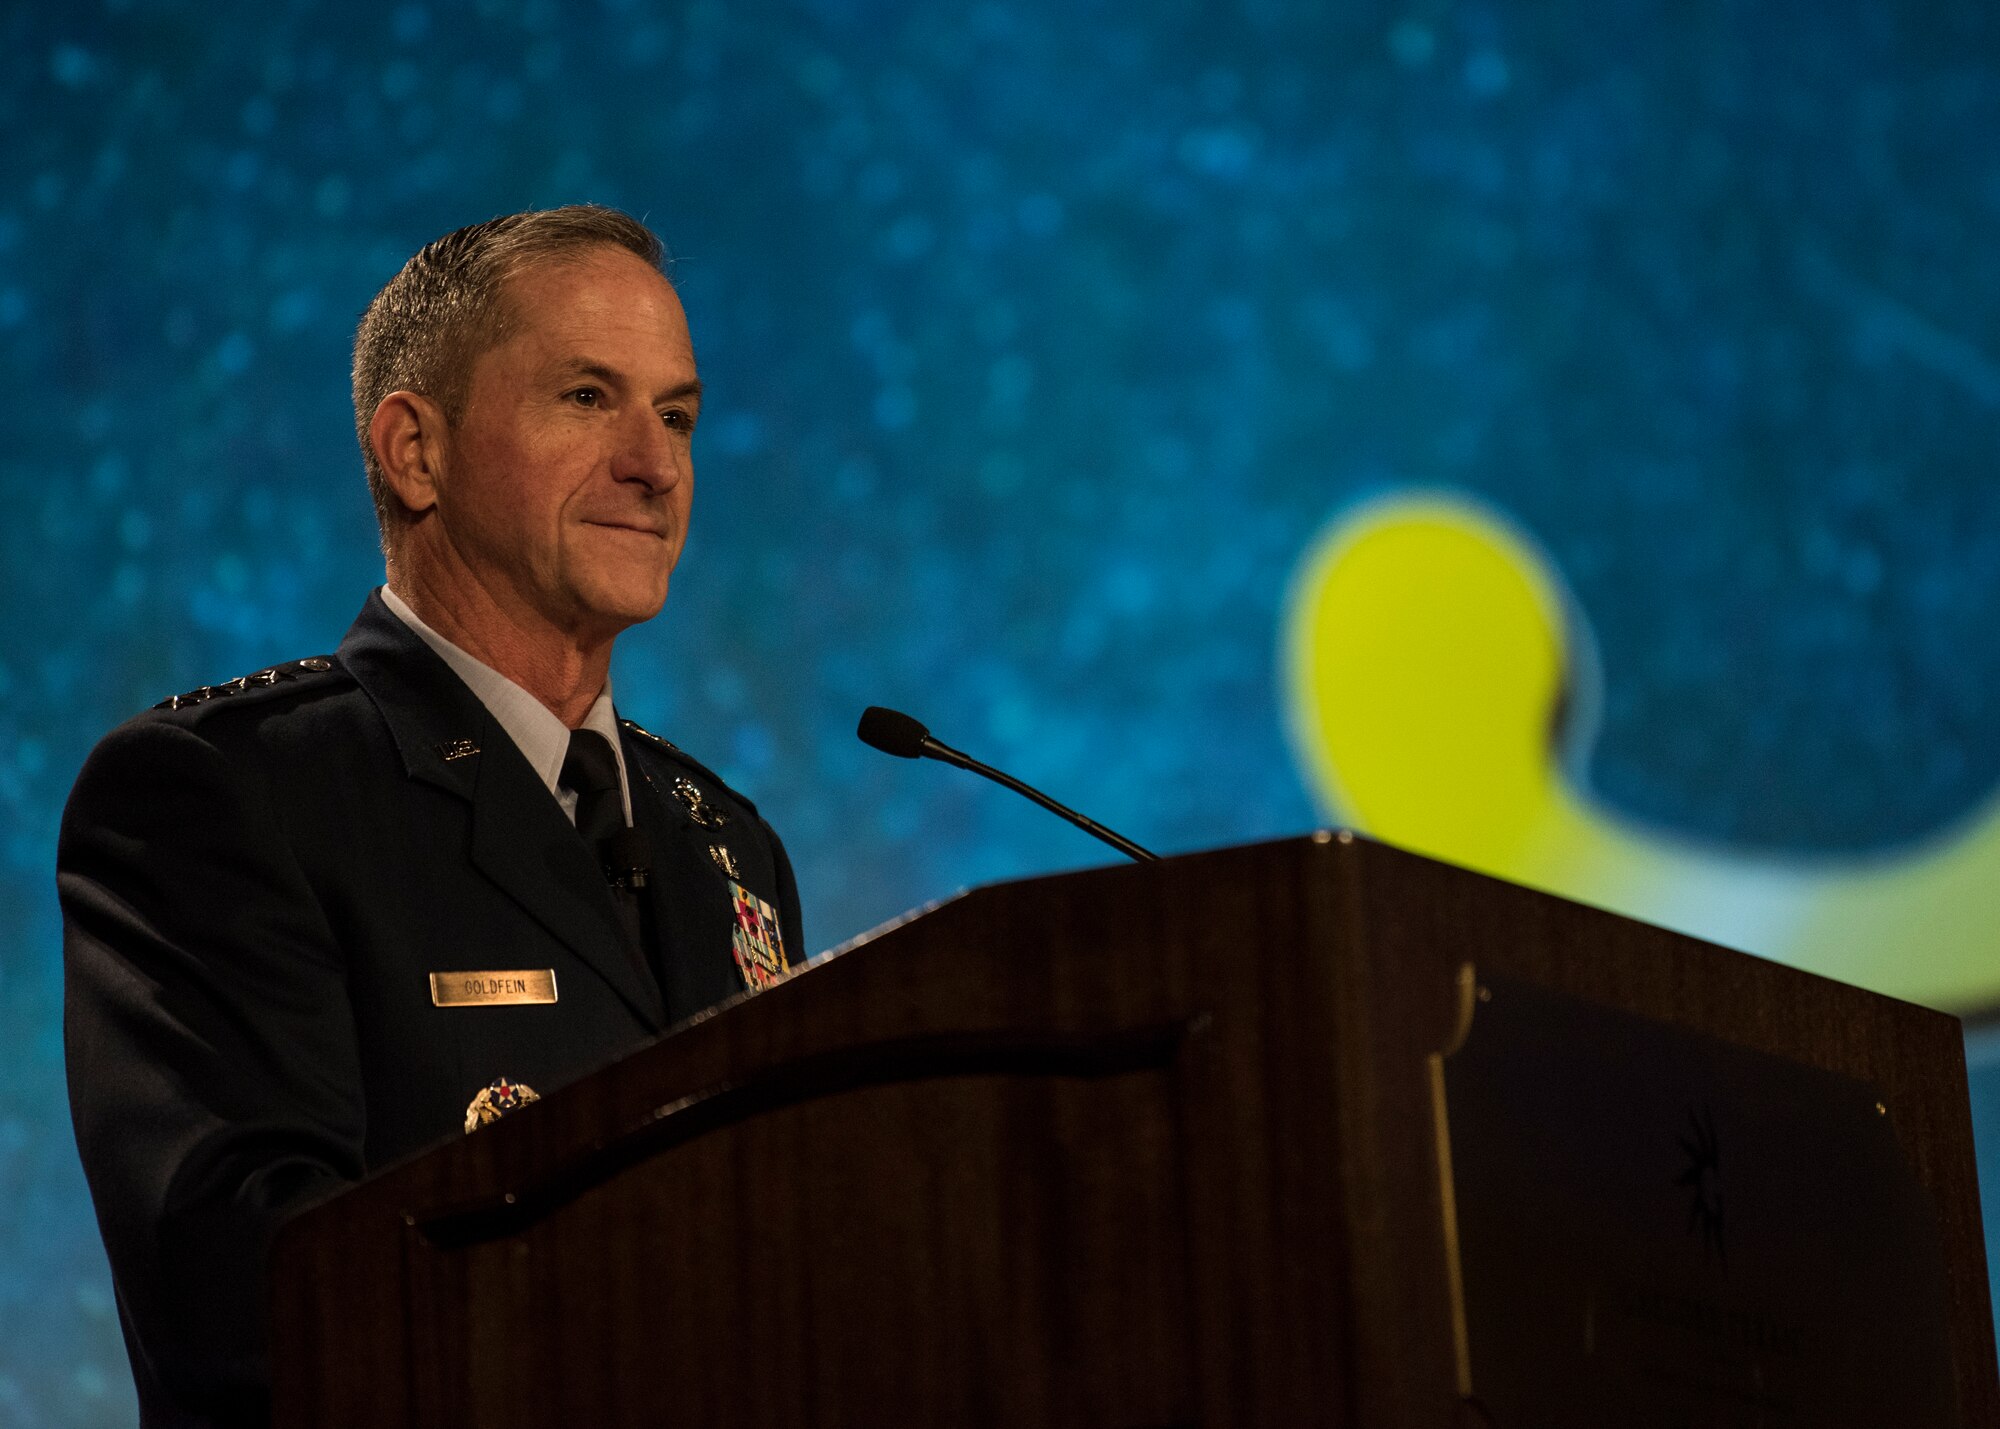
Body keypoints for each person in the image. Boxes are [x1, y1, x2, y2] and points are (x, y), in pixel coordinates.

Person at [57, 205, 804, 1428]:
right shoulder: (224, 794)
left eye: (675, 415)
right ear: (416, 452)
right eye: (585, 398)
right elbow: (246, 1289)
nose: (656, 465)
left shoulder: (727, 843)